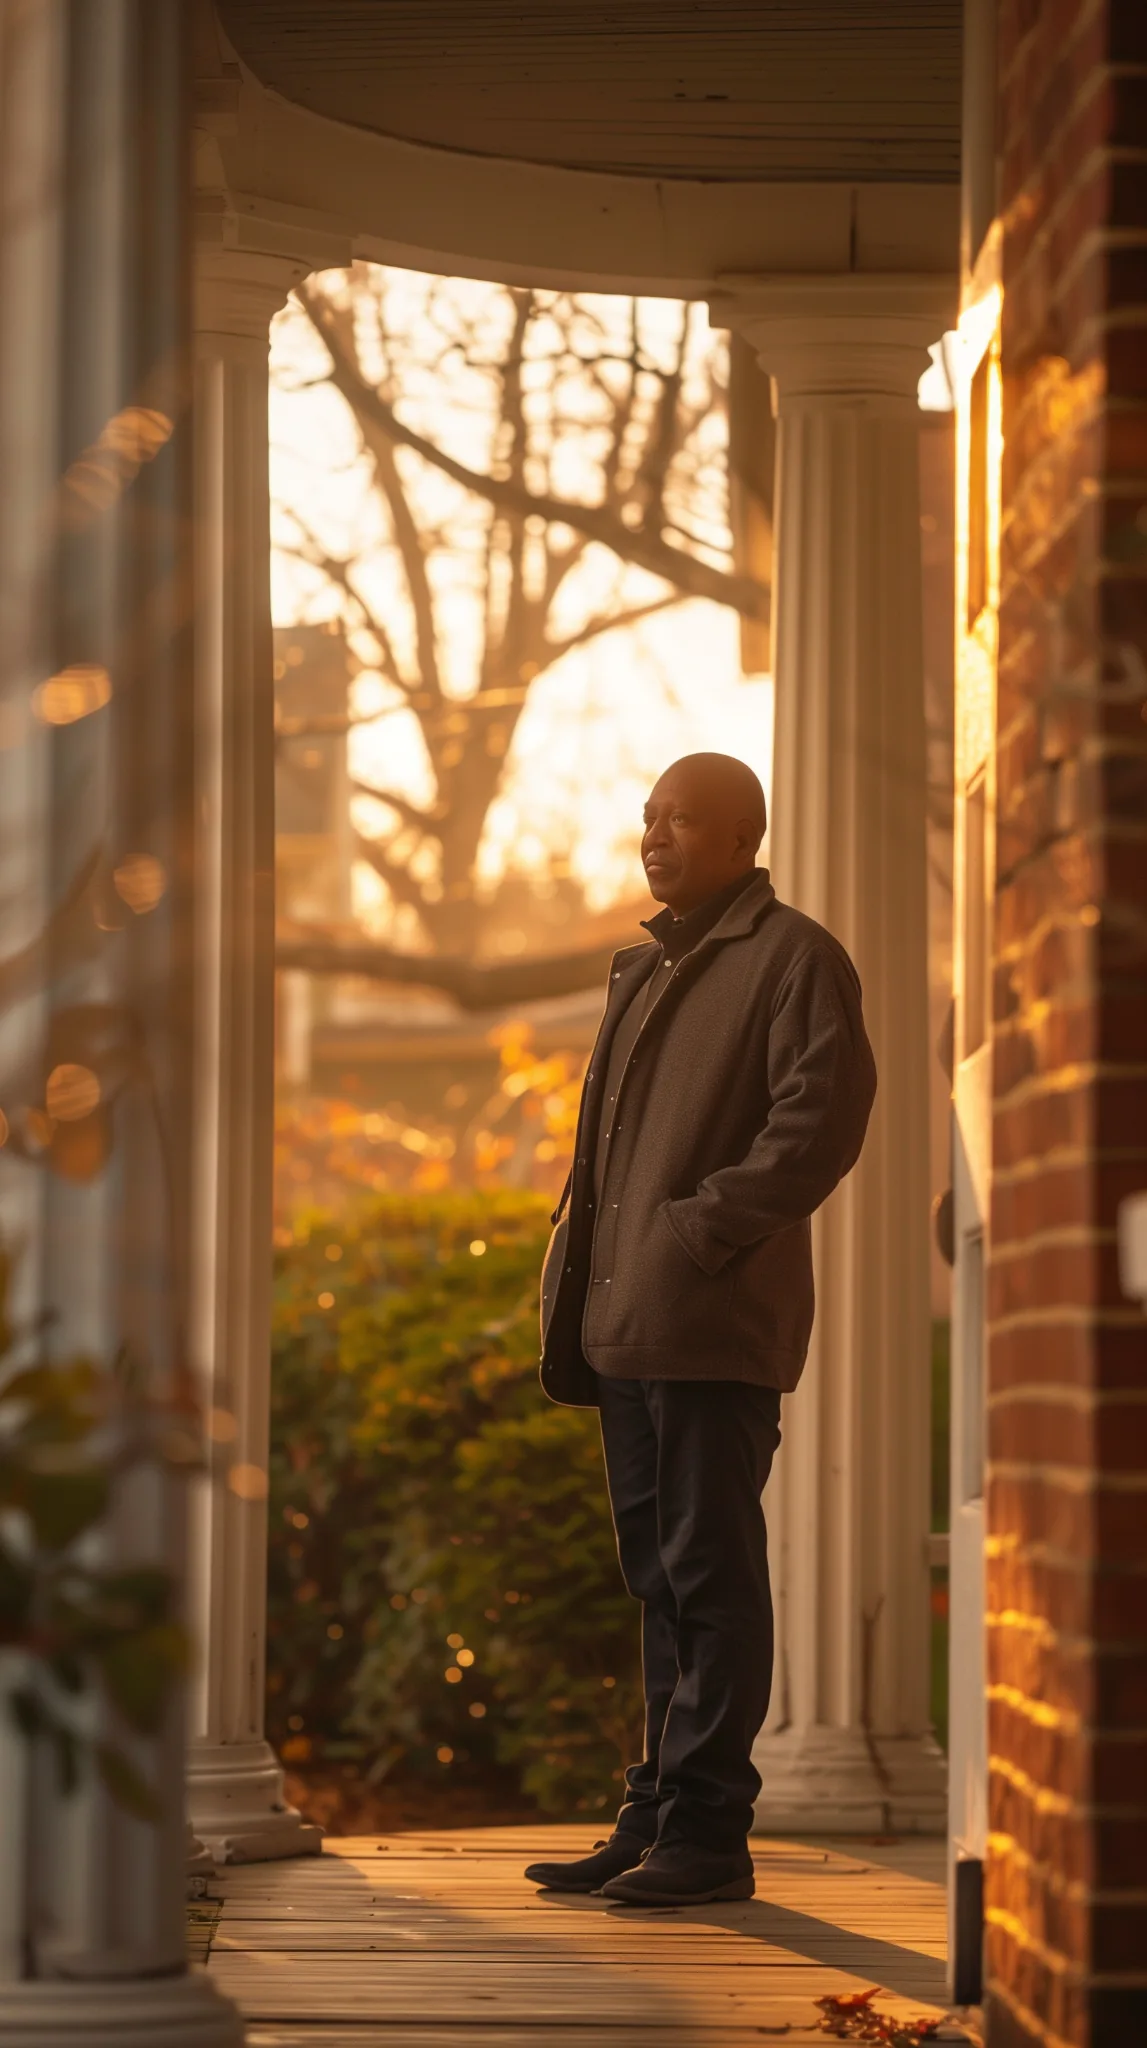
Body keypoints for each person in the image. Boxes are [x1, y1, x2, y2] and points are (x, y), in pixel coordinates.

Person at [524, 752, 876, 1906]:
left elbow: (819, 1119)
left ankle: (710, 1835)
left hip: (710, 1318)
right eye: (649, 815)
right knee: (660, 1580)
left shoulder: (792, 958)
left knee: (710, 1572)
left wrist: (697, 1230)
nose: (656, 834)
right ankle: (658, 1811)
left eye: (684, 819)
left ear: (743, 839)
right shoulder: (646, 967)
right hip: (625, 1322)